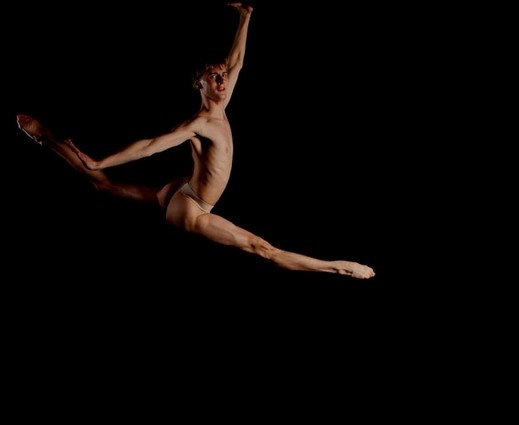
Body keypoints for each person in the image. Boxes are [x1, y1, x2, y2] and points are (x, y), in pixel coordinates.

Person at [16, 3, 375, 280]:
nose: (222, 79)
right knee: (261, 248)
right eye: (214, 77)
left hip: (181, 190)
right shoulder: (200, 123)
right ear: (199, 85)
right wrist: (101, 161)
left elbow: (236, 62)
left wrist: (245, 18)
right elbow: (151, 145)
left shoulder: (221, 103)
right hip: (193, 209)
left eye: (222, 76)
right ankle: (340, 267)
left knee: (106, 188)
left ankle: (47, 139)